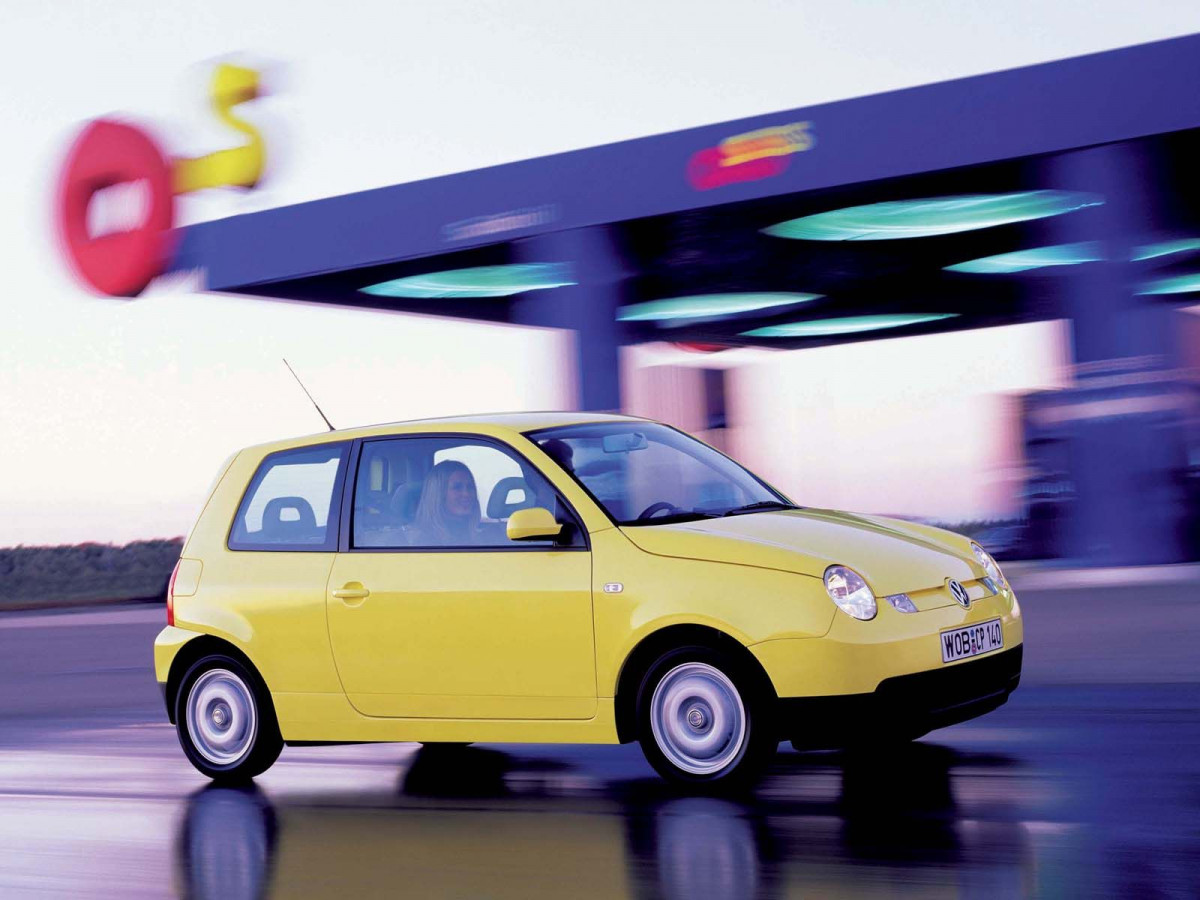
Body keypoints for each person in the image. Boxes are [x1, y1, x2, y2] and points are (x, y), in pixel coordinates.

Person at [410, 460, 483, 546]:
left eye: (470, 487)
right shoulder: (422, 542)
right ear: (437, 495)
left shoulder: (487, 535)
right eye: (457, 487)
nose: (466, 494)